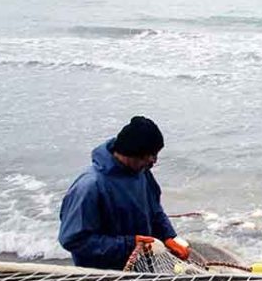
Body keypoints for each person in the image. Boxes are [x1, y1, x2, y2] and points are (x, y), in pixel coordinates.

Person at [59, 116, 191, 270]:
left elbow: (155, 211)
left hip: (142, 268)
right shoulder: (89, 186)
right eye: (151, 155)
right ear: (133, 153)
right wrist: (129, 244)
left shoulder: (142, 172)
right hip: (104, 278)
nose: (154, 161)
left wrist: (168, 236)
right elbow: (74, 240)